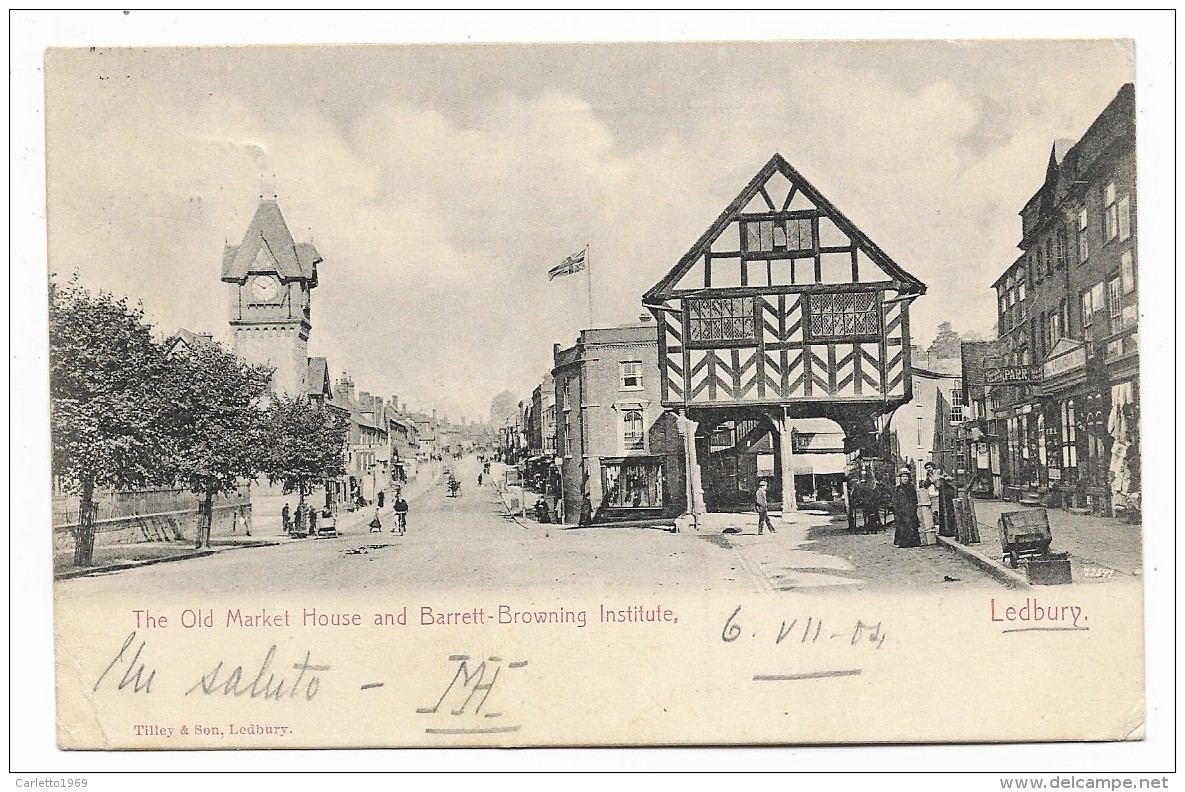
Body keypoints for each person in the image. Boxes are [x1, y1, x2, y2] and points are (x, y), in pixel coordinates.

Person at [892, 467, 922, 548]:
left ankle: (913, 542)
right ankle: (902, 543)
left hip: (910, 510)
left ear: (909, 478)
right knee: (901, 526)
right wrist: (896, 510)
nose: (905, 478)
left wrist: (912, 509)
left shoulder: (911, 488)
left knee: (911, 525)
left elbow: (914, 500)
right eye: (903, 476)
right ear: (900, 478)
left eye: (906, 476)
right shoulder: (898, 489)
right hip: (901, 510)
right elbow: (895, 500)